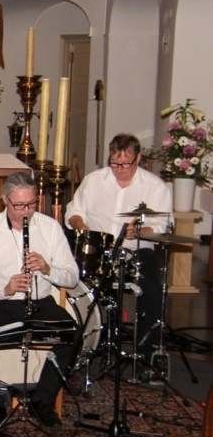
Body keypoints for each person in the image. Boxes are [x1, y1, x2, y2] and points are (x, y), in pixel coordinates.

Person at [0, 172, 79, 430]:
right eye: (20, 206)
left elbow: (72, 277)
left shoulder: (50, 227)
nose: (27, 212)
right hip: (1, 303)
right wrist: (6, 287)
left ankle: (43, 400)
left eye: (32, 204)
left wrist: (48, 269)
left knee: (72, 332)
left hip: (40, 301)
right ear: (5, 200)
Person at [65, 134, 171, 366]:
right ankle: (84, 344)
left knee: (152, 290)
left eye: (126, 164)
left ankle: (145, 353)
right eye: (115, 163)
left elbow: (161, 227)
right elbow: (74, 210)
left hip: (136, 251)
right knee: (72, 282)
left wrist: (140, 231)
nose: (120, 169)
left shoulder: (155, 187)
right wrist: (79, 224)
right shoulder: (94, 181)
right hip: (98, 249)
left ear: (138, 158)